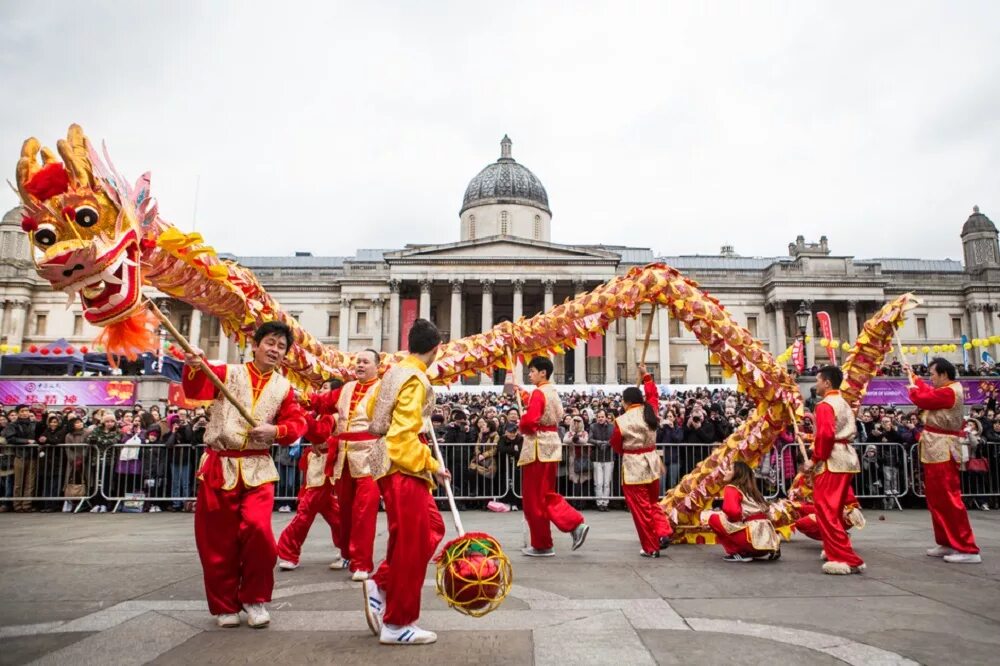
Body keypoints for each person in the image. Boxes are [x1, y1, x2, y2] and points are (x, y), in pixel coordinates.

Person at [182, 321, 308, 629]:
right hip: (219, 465)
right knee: (217, 541)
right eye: (271, 343)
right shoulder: (227, 373)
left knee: (259, 533)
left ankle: (255, 598)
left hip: (257, 468)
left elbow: (297, 424)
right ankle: (225, 604)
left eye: (281, 346)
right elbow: (196, 389)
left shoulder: (283, 388)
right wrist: (195, 366)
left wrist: (276, 430)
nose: (275, 350)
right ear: (255, 345)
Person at [361, 318, 450, 646]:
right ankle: (398, 623)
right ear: (436, 349)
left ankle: (382, 583)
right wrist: (429, 461)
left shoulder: (392, 373)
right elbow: (401, 436)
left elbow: (370, 410)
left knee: (430, 529)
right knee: (412, 543)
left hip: (390, 463)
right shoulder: (415, 378)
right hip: (403, 467)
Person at [311, 349, 382, 578]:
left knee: (364, 512)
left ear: (377, 366)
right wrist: (294, 397)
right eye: (358, 361)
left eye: (365, 362)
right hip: (343, 458)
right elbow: (321, 404)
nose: (360, 365)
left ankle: (361, 563)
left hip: (370, 459)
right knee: (345, 511)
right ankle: (345, 553)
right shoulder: (346, 388)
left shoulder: (384, 390)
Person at [510, 356, 588, 557]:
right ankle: (553, 536)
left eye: (532, 371)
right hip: (551, 445)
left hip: (538, 447)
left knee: (534, 500)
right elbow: (549, 412)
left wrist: (523, 421)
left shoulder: (539, 392)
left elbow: (530, 422)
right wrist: (526, 397)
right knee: (545, 495)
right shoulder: (551, 391)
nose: (530, 374)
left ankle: (551, 539)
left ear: (542, 372)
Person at [907, 357, 981, 563]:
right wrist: (913, 377)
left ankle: (967, 547)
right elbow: (929, 394)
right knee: (936, 498)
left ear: (944, 374)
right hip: (934, 447)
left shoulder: (950, 391)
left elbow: (924, 399)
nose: (930, 378)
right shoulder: (945, 389)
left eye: (932, 374)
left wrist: (913, 388)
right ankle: (947, 541)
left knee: (949, 498)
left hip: (943, 448)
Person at [804, 365, 865, 575]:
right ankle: (834, 550)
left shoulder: (824, 405)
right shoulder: (843, 403)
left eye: (818, 380)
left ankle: (844, 557)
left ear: (827, 382)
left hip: (832, 460)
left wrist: (814, 459)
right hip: (846, 458)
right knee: (835, 510)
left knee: (826, 510)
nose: (816, 384)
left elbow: (826, 436)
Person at [611, 365, 673, 557]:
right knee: (653, 503)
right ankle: (663, 531)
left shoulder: (622, 420)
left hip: (634, 466)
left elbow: (616, 445)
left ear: (626, 402)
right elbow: (654, 395)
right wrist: (646, 376)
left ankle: (651, 546)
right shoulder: (651, 411)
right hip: (652, 462)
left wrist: (628, 451)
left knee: (641, 510)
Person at [275, 410, 342, 571]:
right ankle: (349, 546)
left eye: (326, 388)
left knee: (309, 510)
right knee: (329, 511)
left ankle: (289, 551)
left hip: (331, 467)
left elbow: (329, 436)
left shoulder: (340, 414)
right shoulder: (318, 414)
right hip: (317, 466)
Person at [705, 460, 781, 562]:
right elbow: (770, 515)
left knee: (713, 518)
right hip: (767, 546)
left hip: (750, 541)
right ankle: (769, 548)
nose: (725, 472)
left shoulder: (731, 488)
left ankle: (740, 553)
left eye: (729, 469)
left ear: (736, 474)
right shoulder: (754, 491)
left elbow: (733, 512)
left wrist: (724, 517)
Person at [2, 405, 39, 512]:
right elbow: (11, 438)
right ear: (18, 413)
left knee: (30, 482)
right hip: (19, 456)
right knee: (18, 482)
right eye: (22, 411)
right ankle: (17, 505)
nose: (25, 413)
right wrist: (27, 441)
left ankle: (27, 505)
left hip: (32, 456)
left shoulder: (33, 424)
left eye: (26, 411)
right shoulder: (12, 425)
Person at [588, 410, 614, 512]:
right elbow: (589, 439)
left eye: (602, 417)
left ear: (606, 417)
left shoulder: (612, 427)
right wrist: (599, 443)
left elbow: (614, 439)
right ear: (596, 417)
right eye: (599, 417)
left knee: (606, 483)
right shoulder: (593, 426)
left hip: (609, 457)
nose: (600, 418)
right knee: (598, 483)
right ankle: (599, 503)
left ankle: (605, 503)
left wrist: (607, 443)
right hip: (597, 458)